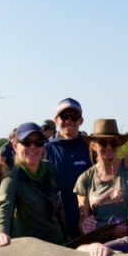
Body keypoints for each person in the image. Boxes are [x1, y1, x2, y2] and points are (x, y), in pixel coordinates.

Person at [73, 118, 128, 241]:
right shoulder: (85, 179)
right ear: (93, 146)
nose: (109, 147)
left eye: (114, 142)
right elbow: (83, 218)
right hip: (99, 240)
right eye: (103, 142)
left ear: (119, 144)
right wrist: (85, 226)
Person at [0, 122, 64, 246]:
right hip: (29, 250)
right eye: (26, 142)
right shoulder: (12, 179)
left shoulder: (50, 170)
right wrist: (1, 232)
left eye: (38, 142)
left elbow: (59, 207)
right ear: (15, 146)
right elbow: (4, 206)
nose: (33, 147)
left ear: (43, 147)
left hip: (56, 244)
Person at [43, 98, 91, 240]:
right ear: (56, 120)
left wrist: (127, 161)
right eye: (64, 117)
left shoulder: (90, 147)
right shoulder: (46, 149)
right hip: (55, 221)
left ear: (81, 120)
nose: (68, 121)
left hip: (87, 221)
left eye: (74, 117)